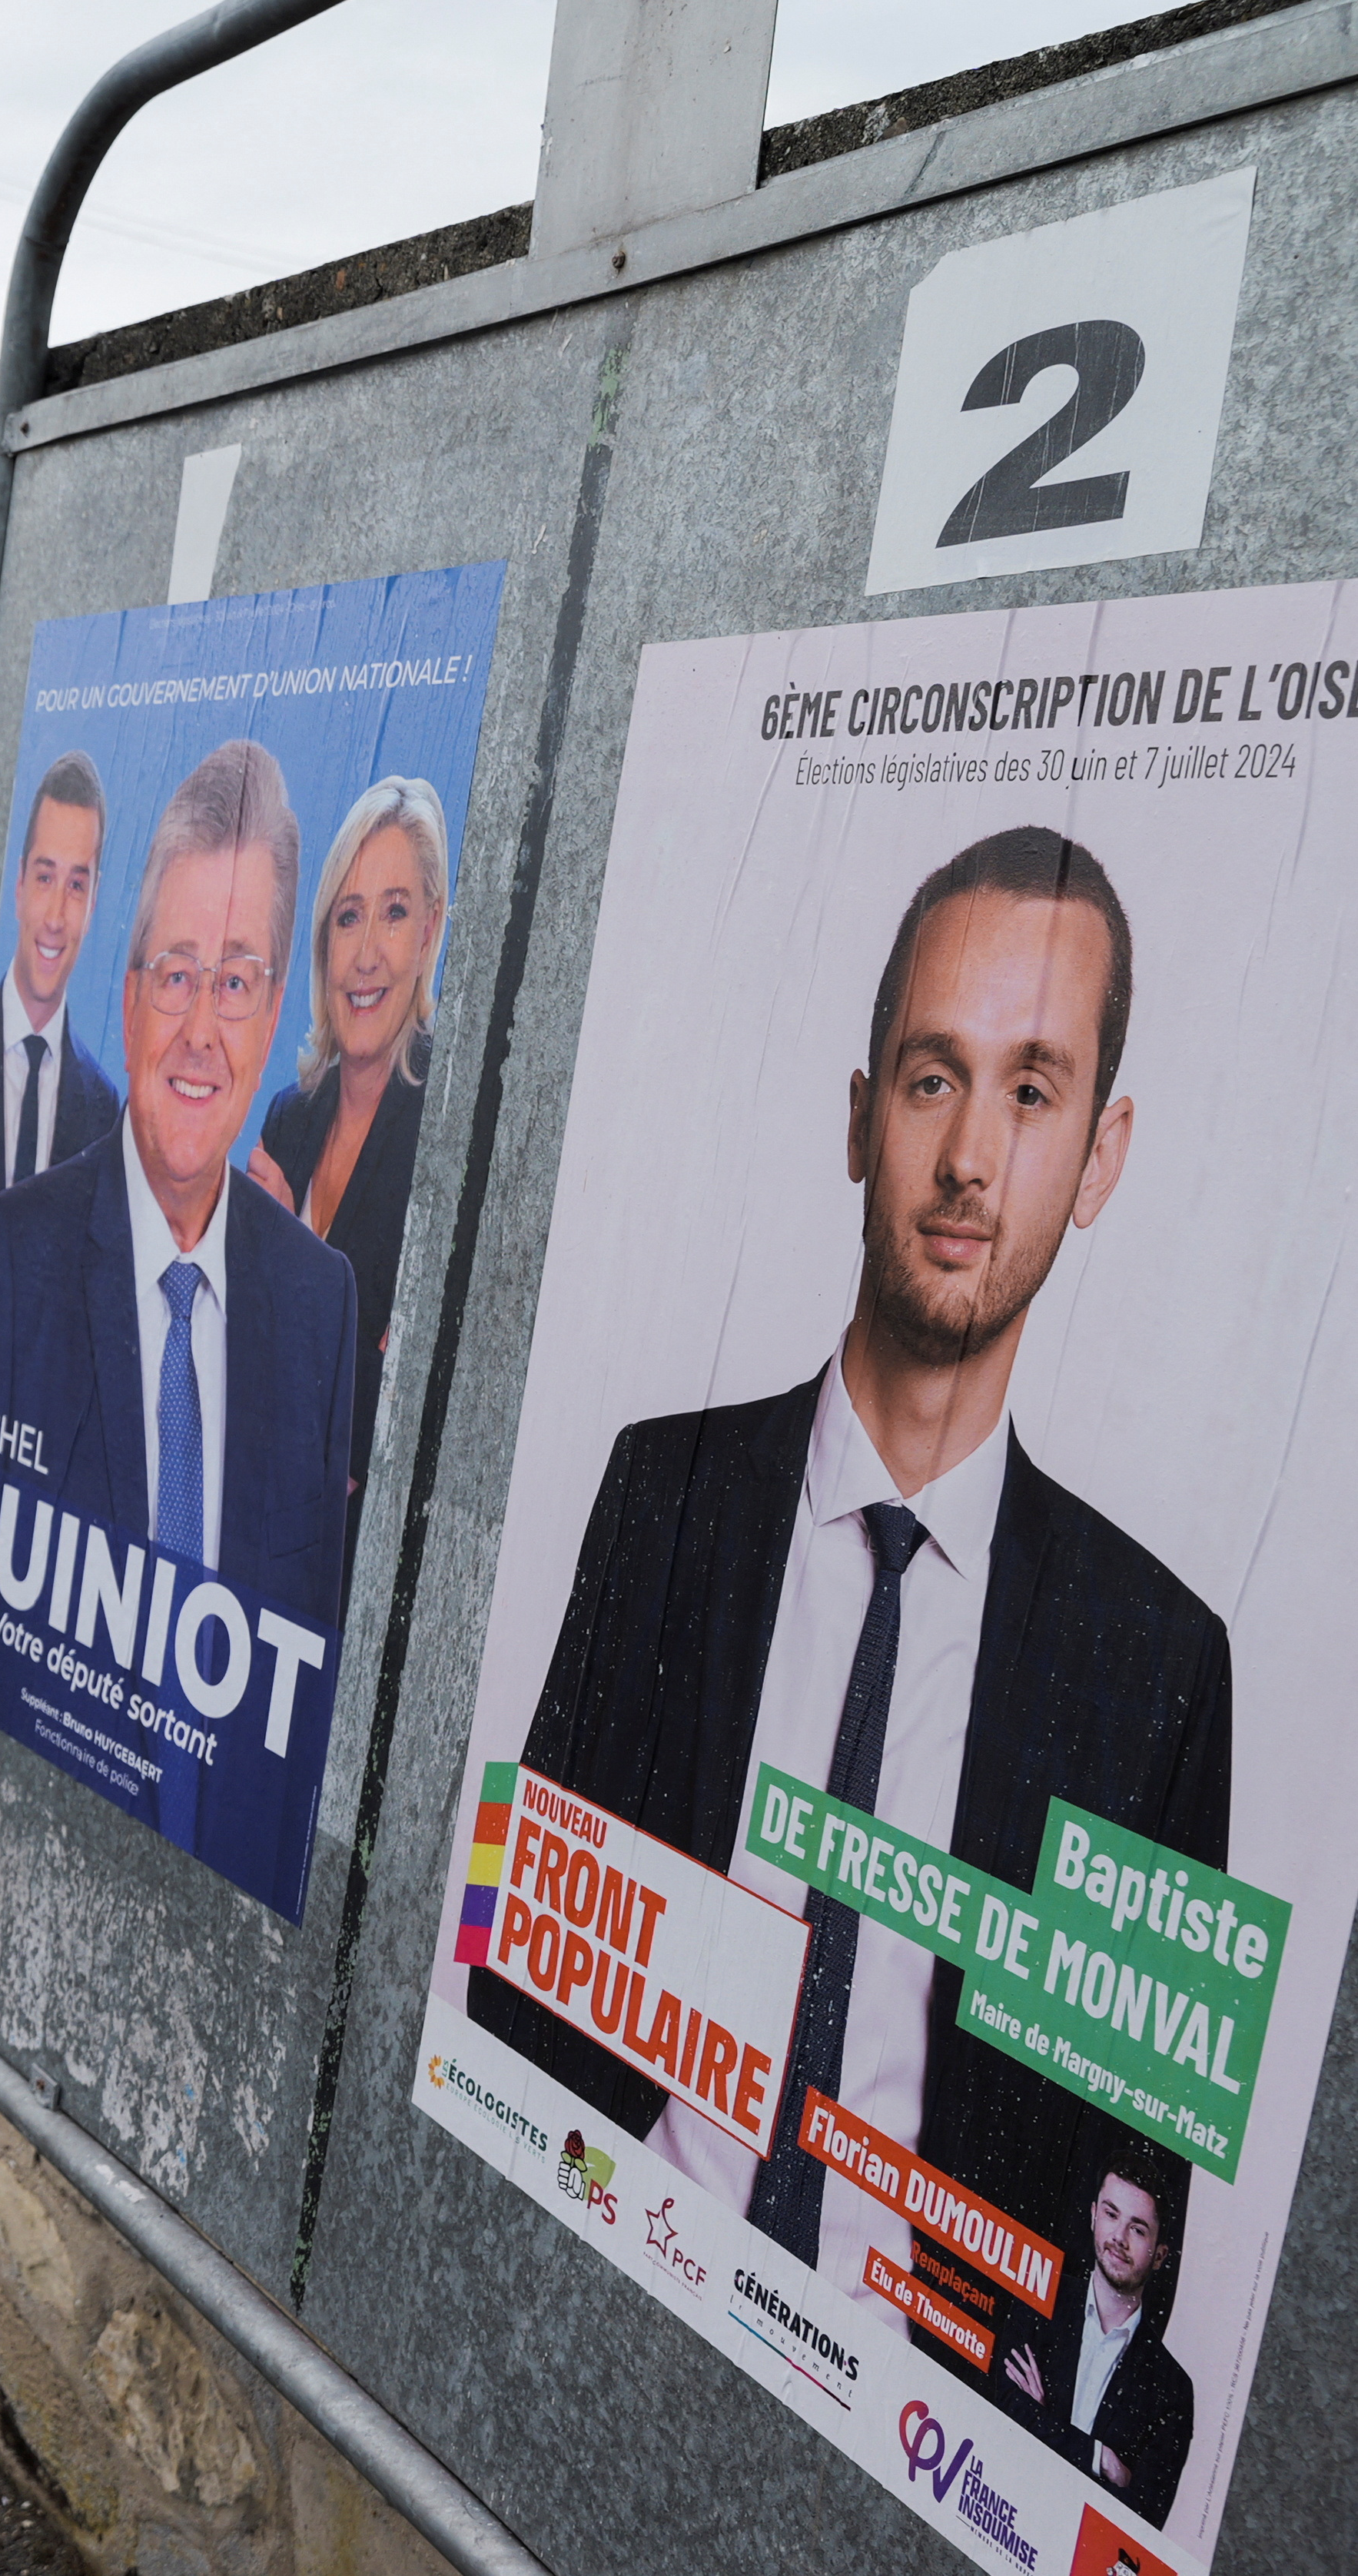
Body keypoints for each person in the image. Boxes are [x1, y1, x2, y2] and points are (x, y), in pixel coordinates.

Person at [470, 826, 1232, 2351]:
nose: (965, 1160)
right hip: (616, 2279)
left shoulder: (1157, 1663)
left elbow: (1126, 2190)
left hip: (909, 2401)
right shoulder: (658, 1496)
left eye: (1031, 1090)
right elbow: (526, 1958)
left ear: (1101, 1155)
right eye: (929, 1076)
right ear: (856, 1112)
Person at [0, 739, 361, 1859]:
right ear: (127, 998)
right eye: (176, 974)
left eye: (234, 983)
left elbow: (303, 1674)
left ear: (274, 1012)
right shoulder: (13, 1256)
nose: (200, 1032)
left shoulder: (321, 1308)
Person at [247, 778, 450, 1556]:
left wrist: (286, 1268)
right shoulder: (288, 1120)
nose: (367, 955)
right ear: (323, 941)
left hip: (358, 1562)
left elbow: (406, 1416)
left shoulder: (443, 1132)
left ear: (429, 932)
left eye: (394, 912)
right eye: (348, 916)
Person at [1001, 2136, 1197, 2528]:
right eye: (1111, 2214)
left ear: (1159, 2255)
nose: (1119, 2239)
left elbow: (1142, 2518)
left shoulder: (1173, 2389)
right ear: (1093, 2216)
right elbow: (1003, 2411)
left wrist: (1045, 2421)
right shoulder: (1038, 2298)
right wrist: (1099, 2458)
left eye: (1138, 2230)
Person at [0, 753, 124, 1218]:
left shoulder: (101, 1104)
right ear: (18, 885)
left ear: (94, 904)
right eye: (45, 877)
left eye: (76, 886)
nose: (55, 918)